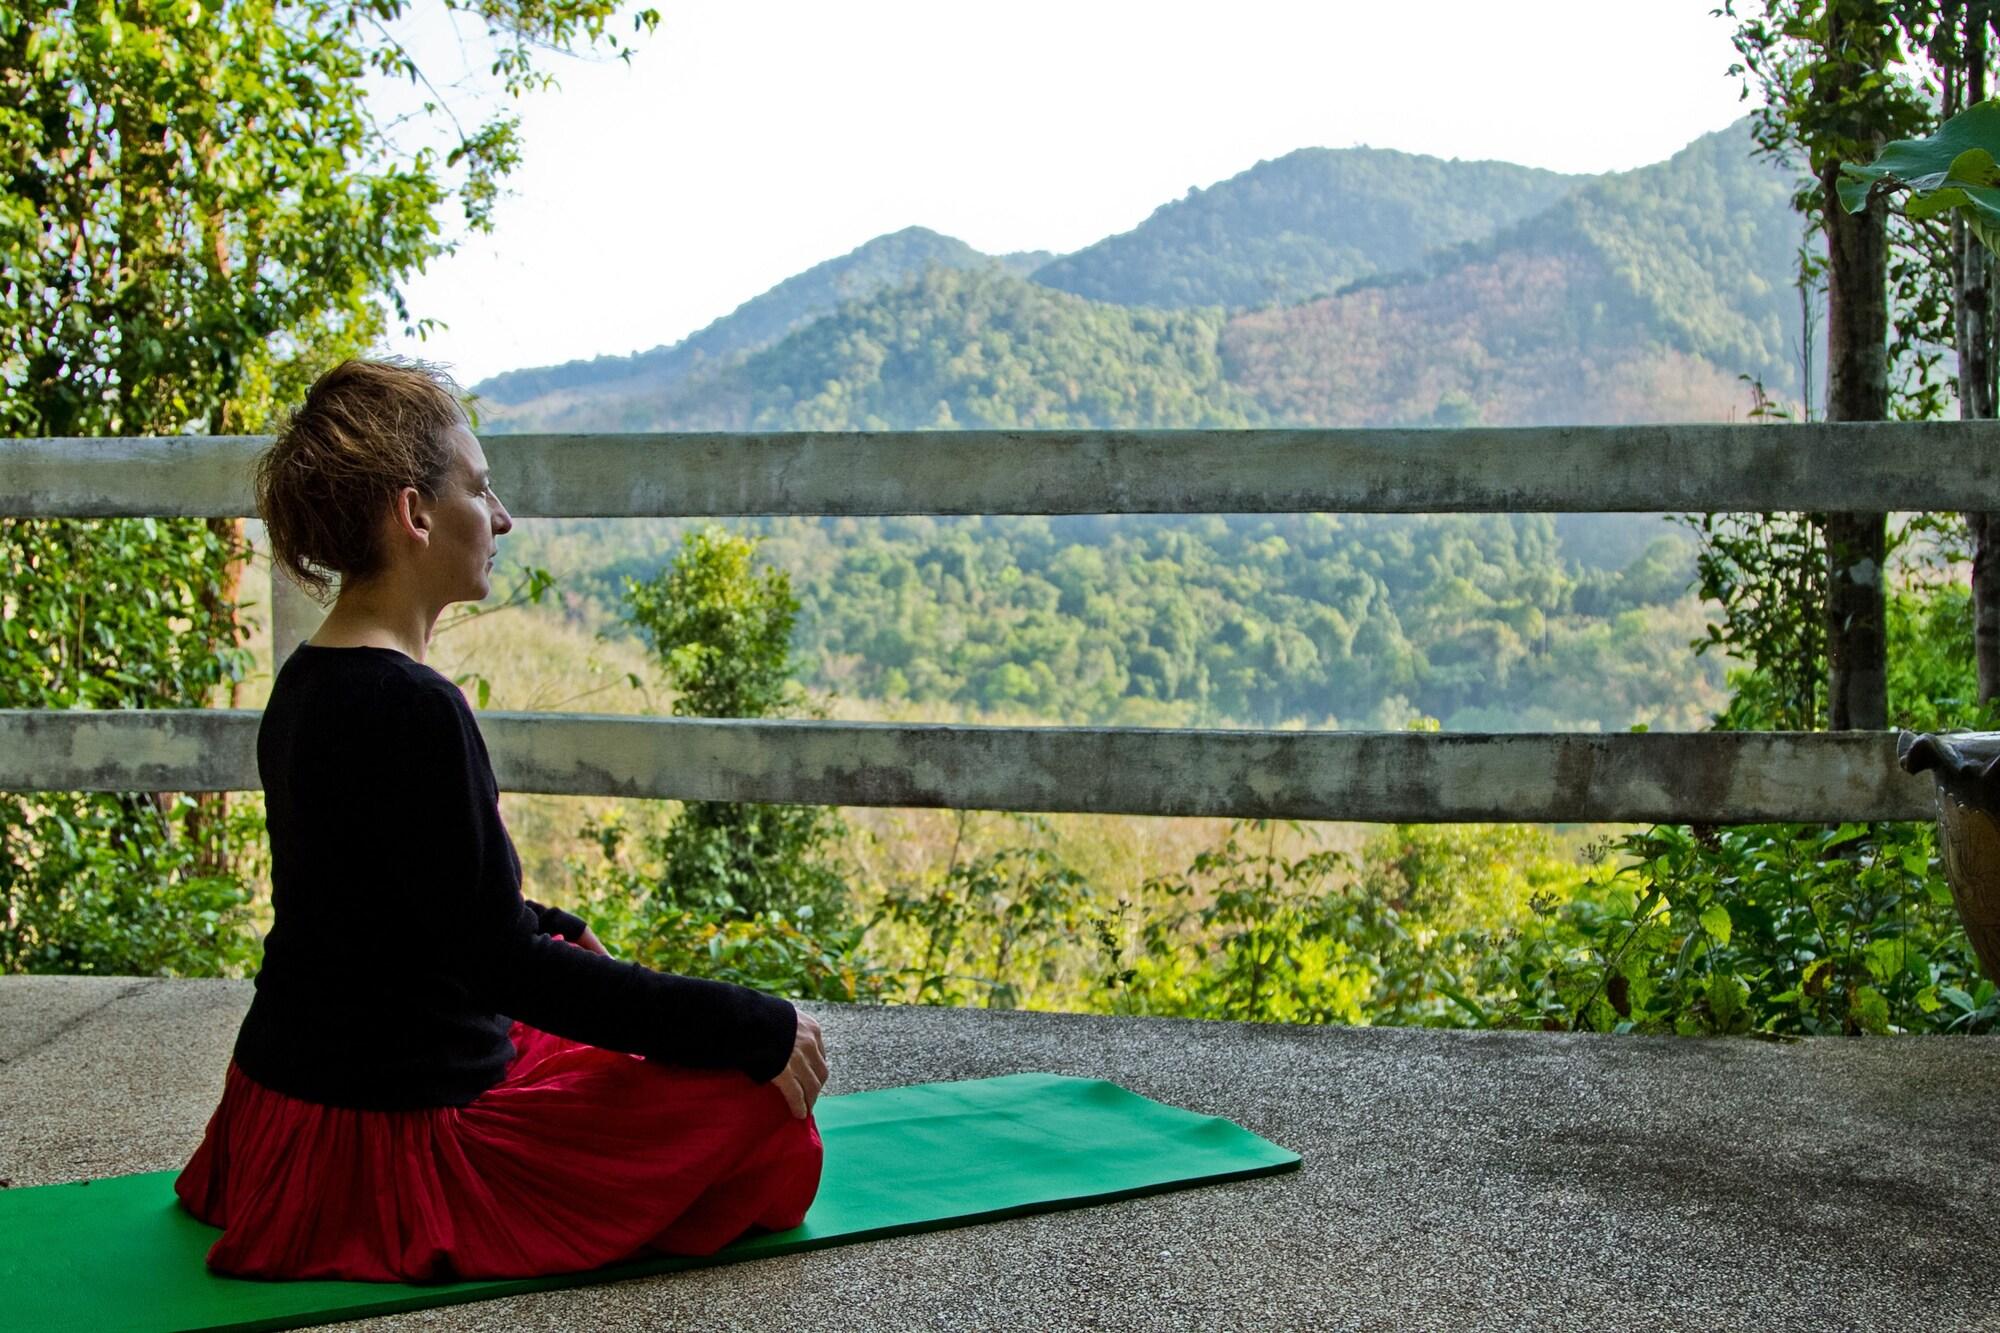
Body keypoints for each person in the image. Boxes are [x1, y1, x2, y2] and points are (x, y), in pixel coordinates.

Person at [173, 357, 828, 1282]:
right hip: (392, 1139)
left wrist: (554, 928)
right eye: (480, 488)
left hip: (282, 1103)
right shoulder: (415, 707)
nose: (503, 516)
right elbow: (502, 965)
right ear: (415, 514)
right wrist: (751, 1022)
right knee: (762, 1117)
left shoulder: (307, 683)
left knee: (620, 1037)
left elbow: (409, 905)